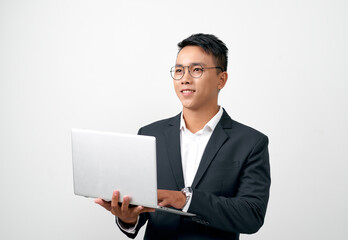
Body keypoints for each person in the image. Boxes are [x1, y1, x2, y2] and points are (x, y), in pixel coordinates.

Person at [95, 33, 271, 240]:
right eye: (179, 70)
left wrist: (185, 199)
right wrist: (128, 218)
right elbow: (139, 208)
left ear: (221, 79)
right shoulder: (150, 134)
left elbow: (251, 216)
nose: (185, 78)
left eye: (197, 70)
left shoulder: (250, 142)